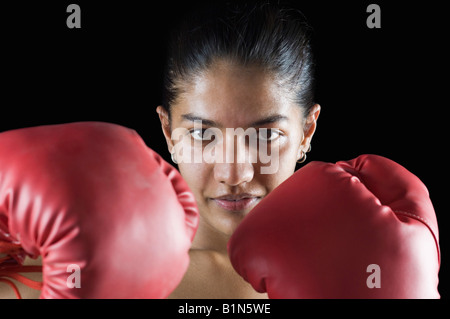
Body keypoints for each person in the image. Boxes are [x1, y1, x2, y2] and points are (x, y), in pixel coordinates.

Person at [156, 1, 320, 298]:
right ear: (169, 133)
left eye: (266, 136)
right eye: (202, 134)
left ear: (306, 132)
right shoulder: (109, 272)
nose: (233, 175)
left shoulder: (356, 264)